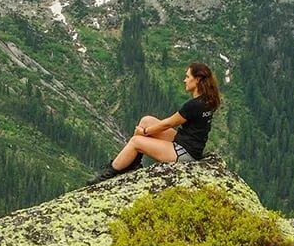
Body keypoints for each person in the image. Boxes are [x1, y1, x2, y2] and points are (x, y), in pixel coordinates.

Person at [87, 62, 221, 185]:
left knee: (136, 141)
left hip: (185, 153)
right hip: (187, 143)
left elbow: (168, 124)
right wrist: (146, 129)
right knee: (146, 121)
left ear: (197, 80)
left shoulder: (193, 105)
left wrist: (144, 132)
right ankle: (134, 163)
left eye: (187, 76)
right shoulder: (207, 100)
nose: (184, 80)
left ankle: (108, 174)